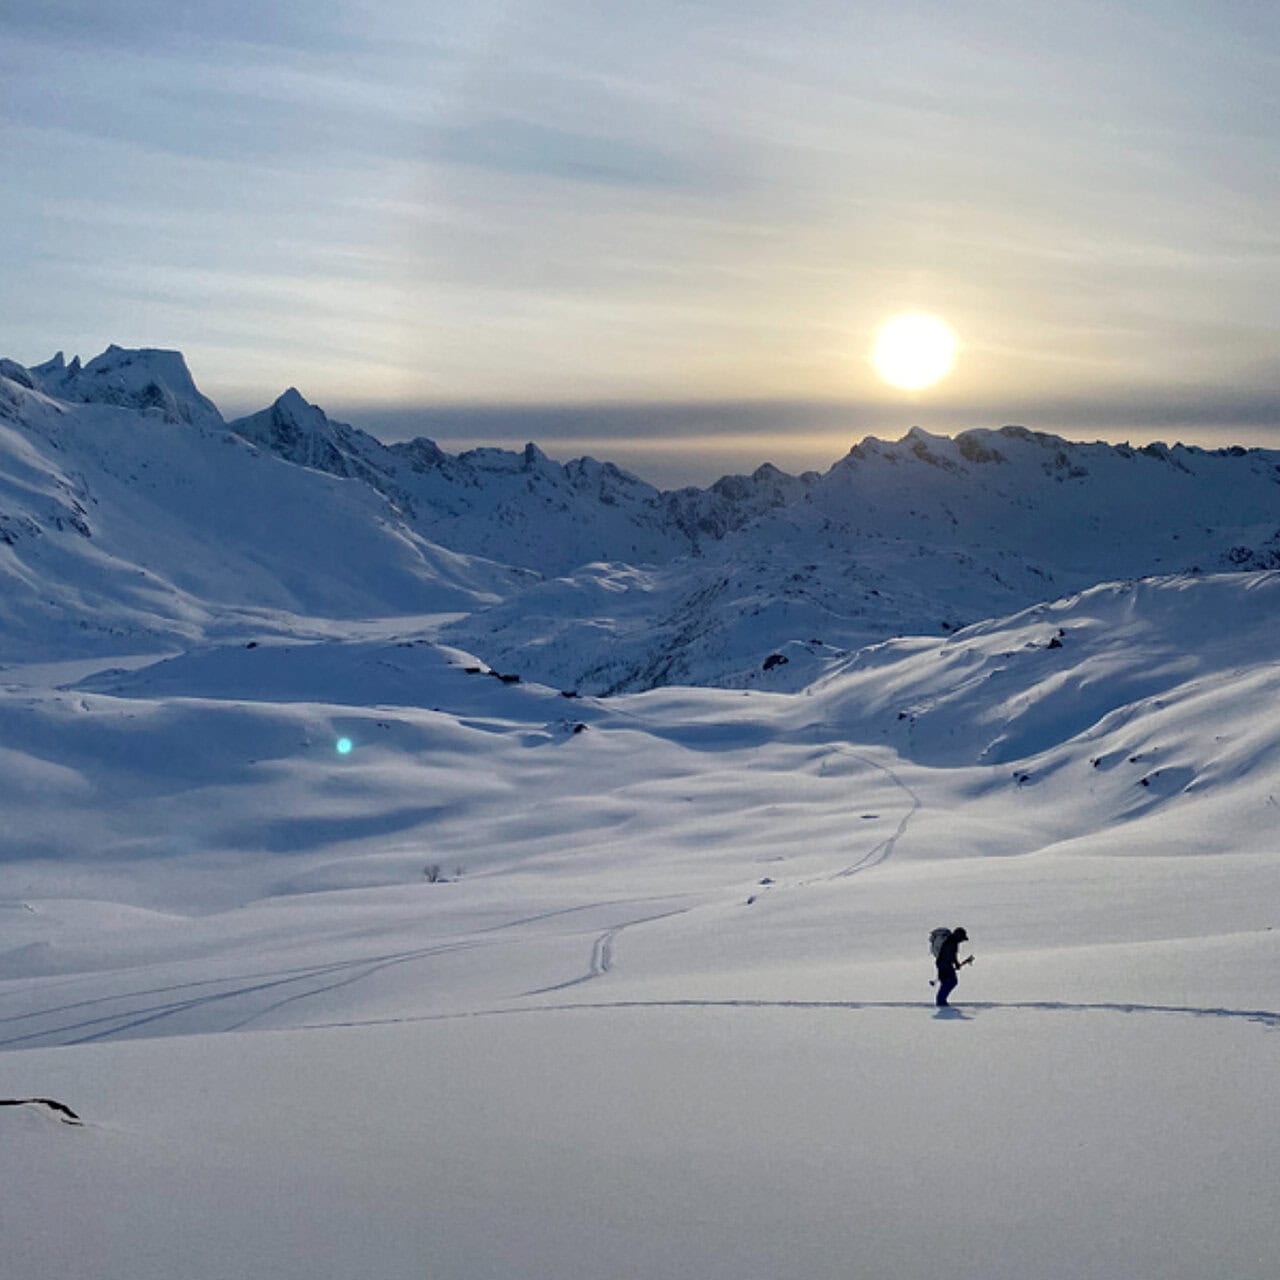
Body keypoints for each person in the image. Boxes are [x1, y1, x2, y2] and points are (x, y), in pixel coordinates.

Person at [935, 926, 972, 1007]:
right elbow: (949, 955)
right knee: (950, 982)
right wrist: (954, 964)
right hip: (944, 964)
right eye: (962, 938)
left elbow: (952, 955)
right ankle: (941, 1002)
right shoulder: (951, 942)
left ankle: (941, 1001)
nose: (962, 941)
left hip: (944, 964)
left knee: (949, 982)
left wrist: (956, 963)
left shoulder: (952, 942)